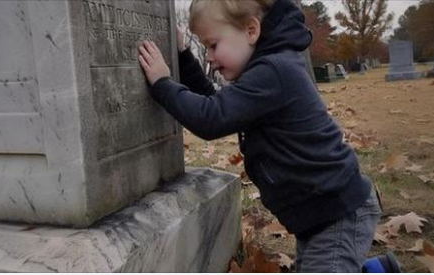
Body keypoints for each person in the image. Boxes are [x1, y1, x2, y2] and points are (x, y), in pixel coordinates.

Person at [137, 0, 383, 272]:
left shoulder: (273, 72)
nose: (208, 56)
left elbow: (211, 117)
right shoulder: (266, 69)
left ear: (251, 31)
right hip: (316, 213)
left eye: (213, 45)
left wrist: (162, 83)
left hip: (337, 211)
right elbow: (217, 102)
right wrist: (183, 55)